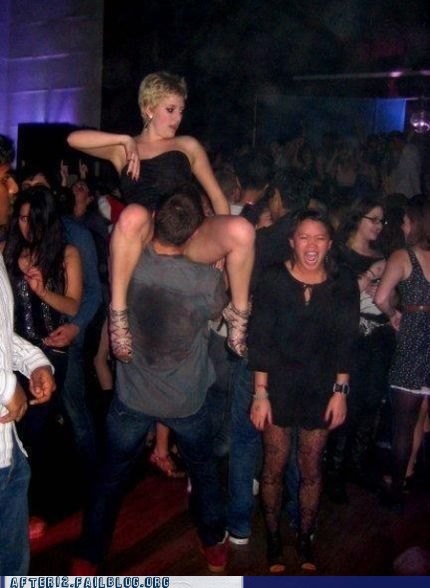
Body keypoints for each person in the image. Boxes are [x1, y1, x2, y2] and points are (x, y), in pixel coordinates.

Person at [72, 185, 229, 574]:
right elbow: (219, 312)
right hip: (186, 402)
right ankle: (213, 543)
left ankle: (89, 555)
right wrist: (220, 271)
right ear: (195, 233)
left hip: (133, 398)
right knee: (204, 473)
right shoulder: (205, 280)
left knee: (110, 478)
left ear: (155, 220)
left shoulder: (132, 265)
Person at [67, 71, 255, 361]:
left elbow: (218, 197)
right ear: (148, 108)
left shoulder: (187, 145)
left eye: (181, 110)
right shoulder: (123, 150)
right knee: (132, 214)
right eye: (170, 109)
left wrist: (222, 246)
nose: (177, 118)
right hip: (148, 235)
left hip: (189, 233)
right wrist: (124, 140)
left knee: (242, 229)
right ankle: (118, 315)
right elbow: (73, 139)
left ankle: (238, 316)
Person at [248, 208, 359, 573]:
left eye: (320, 238)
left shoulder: (343, 282)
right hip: (278, 386)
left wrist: (340, 391)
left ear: (330, 243)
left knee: (311, 468)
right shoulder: (272, 279)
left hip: (320, 387)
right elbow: (260, 339)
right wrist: (260, 393)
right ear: (292, 241)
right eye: (304, 237)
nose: (312, 246)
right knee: (273, 467)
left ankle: (306, 537)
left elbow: (346, 341)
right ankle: (274, 538)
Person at [4, 187, 82, 536]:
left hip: (49, 352)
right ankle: (20, 508)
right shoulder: (9, 252)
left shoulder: (66, 253)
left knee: (37, 430)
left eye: (32, 219)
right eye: (21, 218)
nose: (25, 226)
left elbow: (73, 305)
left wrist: (43, 292)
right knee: (19, 430)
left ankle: (36, 506)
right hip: (15, 352)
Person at [0, 133, 56, 575]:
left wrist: (34, 361)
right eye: (4, 178)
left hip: (8, 451)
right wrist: (5, 386)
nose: (14, 187)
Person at [375, 195, 430, 509]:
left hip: (412, 339)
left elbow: (381, 297)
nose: (403, 226)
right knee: (421, 416)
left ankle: (396, 491)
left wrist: (394, 314)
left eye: (406, 221)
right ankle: (409, 475)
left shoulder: (403, 256)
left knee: (402, 423)